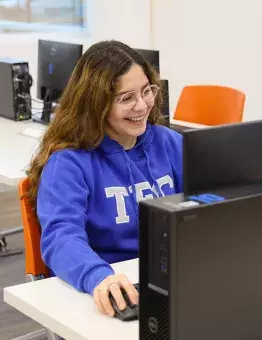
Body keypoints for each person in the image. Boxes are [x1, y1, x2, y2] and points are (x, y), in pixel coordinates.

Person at [26, 40, 183, 317]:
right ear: (95, 103)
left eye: (147, 91)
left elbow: (210, 204)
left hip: (173, 280)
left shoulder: (167, 142)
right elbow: (61, 237)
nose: (142, 105)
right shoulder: (69, 163)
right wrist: (98, 276)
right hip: (110, 290)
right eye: (126, 98)